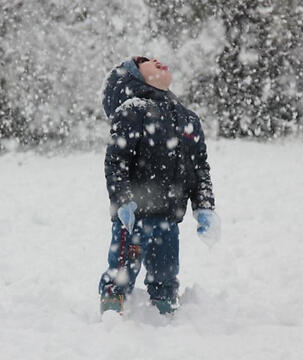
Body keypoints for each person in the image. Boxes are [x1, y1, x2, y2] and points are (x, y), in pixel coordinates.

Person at [98, 56, 221, 315]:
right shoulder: (132, 111)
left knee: (166, 270)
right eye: (143, 61)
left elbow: (199, 168)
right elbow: (116, 163)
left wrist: (204, 208)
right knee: (122, 268)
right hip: (133, 217)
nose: (155, 59)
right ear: (129, 80)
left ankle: (164, 306)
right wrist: (123, 201)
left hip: (168, 217)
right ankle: (113, 304)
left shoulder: (187, 118)